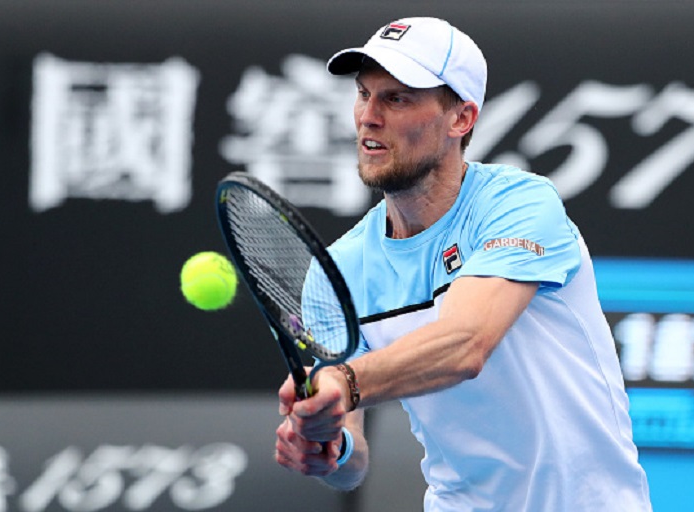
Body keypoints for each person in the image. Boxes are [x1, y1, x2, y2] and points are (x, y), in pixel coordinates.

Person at [274, 16, 652, 511]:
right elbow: (353, 462)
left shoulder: (520, 203)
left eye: (397, 98)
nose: (368, 116)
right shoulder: (338, 272)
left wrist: (345, 383)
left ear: (461, 119)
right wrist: (329, 448)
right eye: (364, 94)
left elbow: (465, 345)